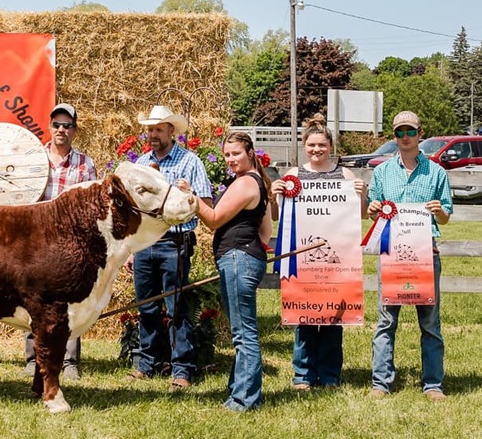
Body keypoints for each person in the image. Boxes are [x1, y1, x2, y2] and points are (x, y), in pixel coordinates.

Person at [271, 117, 367, 390]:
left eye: (322, 145)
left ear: (331, 146)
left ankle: (329, 375)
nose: (316, 150)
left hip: (337, 259)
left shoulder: (346, 175)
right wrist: (272, 194)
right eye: (312, 145)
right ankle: (303, 375)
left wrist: (362, 194)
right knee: (304, 316)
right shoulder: (293, 175)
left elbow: (361, 215)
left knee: (334, 318)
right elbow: (277, 216)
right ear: (304, 146)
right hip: (302, 260)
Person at [123, 106, 213, 392]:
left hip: (175, 243)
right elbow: (133, 212)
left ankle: (182, 369)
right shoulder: (141, 164)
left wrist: (190, 194)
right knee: (146, 307)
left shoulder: (190, 162)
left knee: (177, 309)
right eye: (150, 130)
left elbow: (206, 204)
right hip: (145, 244)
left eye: (158, 129)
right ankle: (147, 363)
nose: (152, 135)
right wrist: (130, 248)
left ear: (171, 131)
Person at [181, 131, 272, 411]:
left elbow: (213, 219)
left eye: (236, 154)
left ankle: (245, 399)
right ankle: (238, 390)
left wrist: (191, 198)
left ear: (250, 153)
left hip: (237, 259)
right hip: (244, 257)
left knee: (243, 333)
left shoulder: (245, 183)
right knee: (241, 331)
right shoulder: (257, 182)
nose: (231, 159)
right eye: (227, 155)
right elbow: (266, 232)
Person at [367, 110, 452, 402]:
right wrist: (372, 209)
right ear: (394, 136)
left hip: (426, 255)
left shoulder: (437, 172)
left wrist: (440, 212)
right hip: (392, 256)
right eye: (399, 132)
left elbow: (446, 217)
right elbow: (373, 210)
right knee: (386, 321)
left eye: (410, 131)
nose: (405, 137)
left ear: (420, 134)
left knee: (430, 323)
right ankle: (381, 382)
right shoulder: (381, 172)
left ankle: (433, 384)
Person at [22, 103, 97, 381]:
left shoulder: (85, 164)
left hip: (70, 243)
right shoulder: (33, 159)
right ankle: (33, 358)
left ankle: (69, 361)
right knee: (34, 299)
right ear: (49, 128)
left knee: (69, 302)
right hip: (36, 240)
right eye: (57, 125)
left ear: (75, 131)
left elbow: (91, 206)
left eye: (67, 126)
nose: (61, 130)